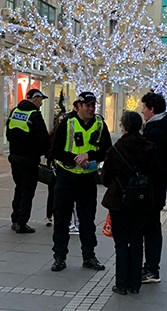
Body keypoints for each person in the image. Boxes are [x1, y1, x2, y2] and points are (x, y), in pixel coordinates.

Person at [51, 91, 112, 272]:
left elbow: (107, 149)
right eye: (88, 105)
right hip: (66, 176)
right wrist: (75, 158)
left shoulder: (100, 123)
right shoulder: (67, 123)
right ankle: (59, 257)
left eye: (94, 105)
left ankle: (89, 256)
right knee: (61, 219)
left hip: (87, 179)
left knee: (87, 220)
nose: (91, 109)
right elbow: (55, 151)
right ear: (78, 106)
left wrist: (89, 156)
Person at [101, 111, 158, 295]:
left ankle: (121, 283)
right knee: (136, 240)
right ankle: (135, 283)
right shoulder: (150, 147)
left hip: (120, 201)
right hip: (142, 201)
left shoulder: (116, 149)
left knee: (121, 243)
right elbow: (155, 176)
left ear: (124, 126)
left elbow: (105, 177)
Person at [141, 92, 167, 283]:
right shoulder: (160, 127)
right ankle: (151, 267)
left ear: (152, 109)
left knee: (151, 228)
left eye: (144, 107)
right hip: (156, 187)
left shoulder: (155, 131)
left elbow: (151, 162)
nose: (143, 111)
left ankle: (152, 269)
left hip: (151, 189)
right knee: (152, 227)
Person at [6, 88, 50, 233]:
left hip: (15, 158)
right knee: (28, 191)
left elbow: (8, 134)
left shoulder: (15, 112)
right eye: (41, 100)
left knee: (19, 188)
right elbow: (43, 138)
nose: (41, 104)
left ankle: (15, 219)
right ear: (35, 98)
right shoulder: (35, 115)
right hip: (29, 160)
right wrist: (44, 152)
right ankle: (21, 222)